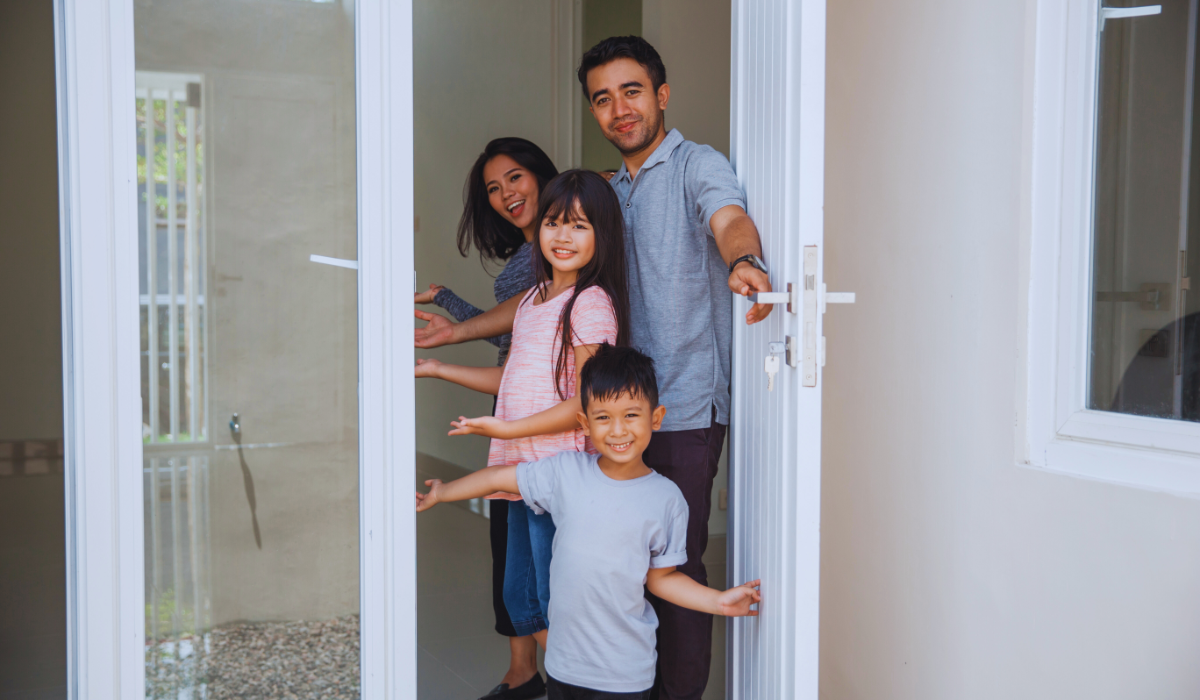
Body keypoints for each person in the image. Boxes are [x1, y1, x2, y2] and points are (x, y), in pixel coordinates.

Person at [414, 36, 773, 700]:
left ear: (661, 96)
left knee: (673, 568)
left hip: (681, 409)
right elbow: (541, 298)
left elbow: (729, 219)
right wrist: (458, 331)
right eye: (602, 99)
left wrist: (744, 262)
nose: (618, 109)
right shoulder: (607, 195)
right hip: (602, 417)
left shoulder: (698, 165)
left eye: (631, 91)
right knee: (603, 574)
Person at [416, 344, 762, 700]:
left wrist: (718, 602)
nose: (617, 431)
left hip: (626, 675)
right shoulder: (565, 473)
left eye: (631, 415)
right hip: (564, 667)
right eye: (603, 417)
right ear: (584, 423)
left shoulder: (667, 499)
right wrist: (443, 493)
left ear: (655, 418)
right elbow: (498, 478)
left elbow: (663, 579)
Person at [415, 169, 631, 676]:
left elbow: (587, 401)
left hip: (557, 475)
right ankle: (571, 680)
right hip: (521, 473)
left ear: (602, 236)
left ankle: (586, 684)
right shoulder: (534, 300)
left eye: (579, 226)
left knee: (555, 604)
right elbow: (512, 380)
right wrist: (439, 368)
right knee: (523, 601)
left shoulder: (591, 304)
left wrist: (508, 430)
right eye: (554, 223)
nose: (562, 235)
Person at [413, 137, 556, 700]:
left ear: (542, 175)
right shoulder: (528, 250)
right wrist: (447, 301)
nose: (505, 195)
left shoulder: (554, 248)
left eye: (515, 178)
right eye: (494, 189)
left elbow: (510, 328)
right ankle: (522, 674)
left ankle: (574, 676)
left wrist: (448, 331)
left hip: (538, 405)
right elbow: (505, 327)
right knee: (510, 546)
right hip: (512, 396)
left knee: (528, 551)